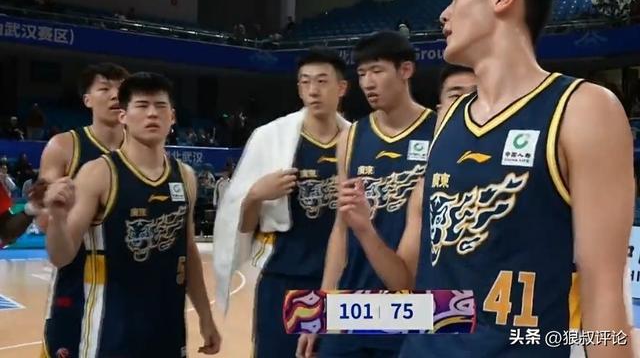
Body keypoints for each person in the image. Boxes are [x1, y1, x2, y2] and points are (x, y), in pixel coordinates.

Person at [339, 0, 634, 357]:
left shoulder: (583, 109)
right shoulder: (447, 120)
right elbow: (407, 278)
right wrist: (365, 232)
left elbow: (603, 293)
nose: (444, 14)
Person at [44, 72, 221, 356]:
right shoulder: (98, 173)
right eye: (142, 105)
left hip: (168, 329)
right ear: (123, 116)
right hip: (110, 333)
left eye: (160, 106)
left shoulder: (185, 176)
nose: (152, 113)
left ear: (172, 117)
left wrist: (205, 316)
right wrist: (57, 217)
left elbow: (188, 251)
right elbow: (61, 257)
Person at [298, 32, 437, 358]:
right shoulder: (351, 137)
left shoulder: (439, 131)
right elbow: (341, 227)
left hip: (413, 307)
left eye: (377, 71)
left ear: (405, 70)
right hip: (353, 303)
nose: (368, 83)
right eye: (361, 74)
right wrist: (321, 306)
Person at [234, 48, 348, 357]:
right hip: (284, 278)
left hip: (341, 281)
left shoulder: (357, 140)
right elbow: (243, 225)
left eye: (322, 81)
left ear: (341, 88)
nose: (313, 90)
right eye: (305, 82)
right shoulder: (269, 139)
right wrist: (256, 194)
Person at [38, 63, 130, 358]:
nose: (115, 95)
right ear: (87, 99)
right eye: (105, 88)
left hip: (131, 282)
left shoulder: (146, 152)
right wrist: (58, 204)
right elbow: (43, 218)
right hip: (77, 277)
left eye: (121, 89)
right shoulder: (63, 146)